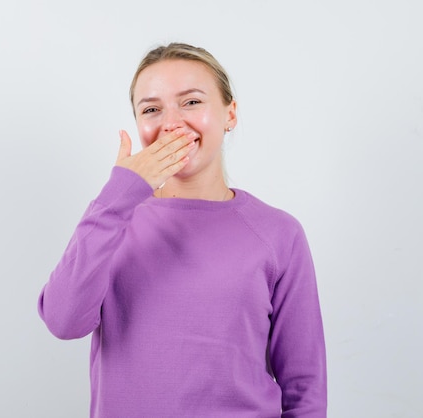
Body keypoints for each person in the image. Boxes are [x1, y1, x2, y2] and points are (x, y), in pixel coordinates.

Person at [38, 42, 327, 417]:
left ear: (230, 113)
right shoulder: (111, 221)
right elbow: (63, 321)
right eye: (152, 109)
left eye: (191, 102)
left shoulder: (278, 234)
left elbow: (304, 386)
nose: (171, 122)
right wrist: (120, 191)